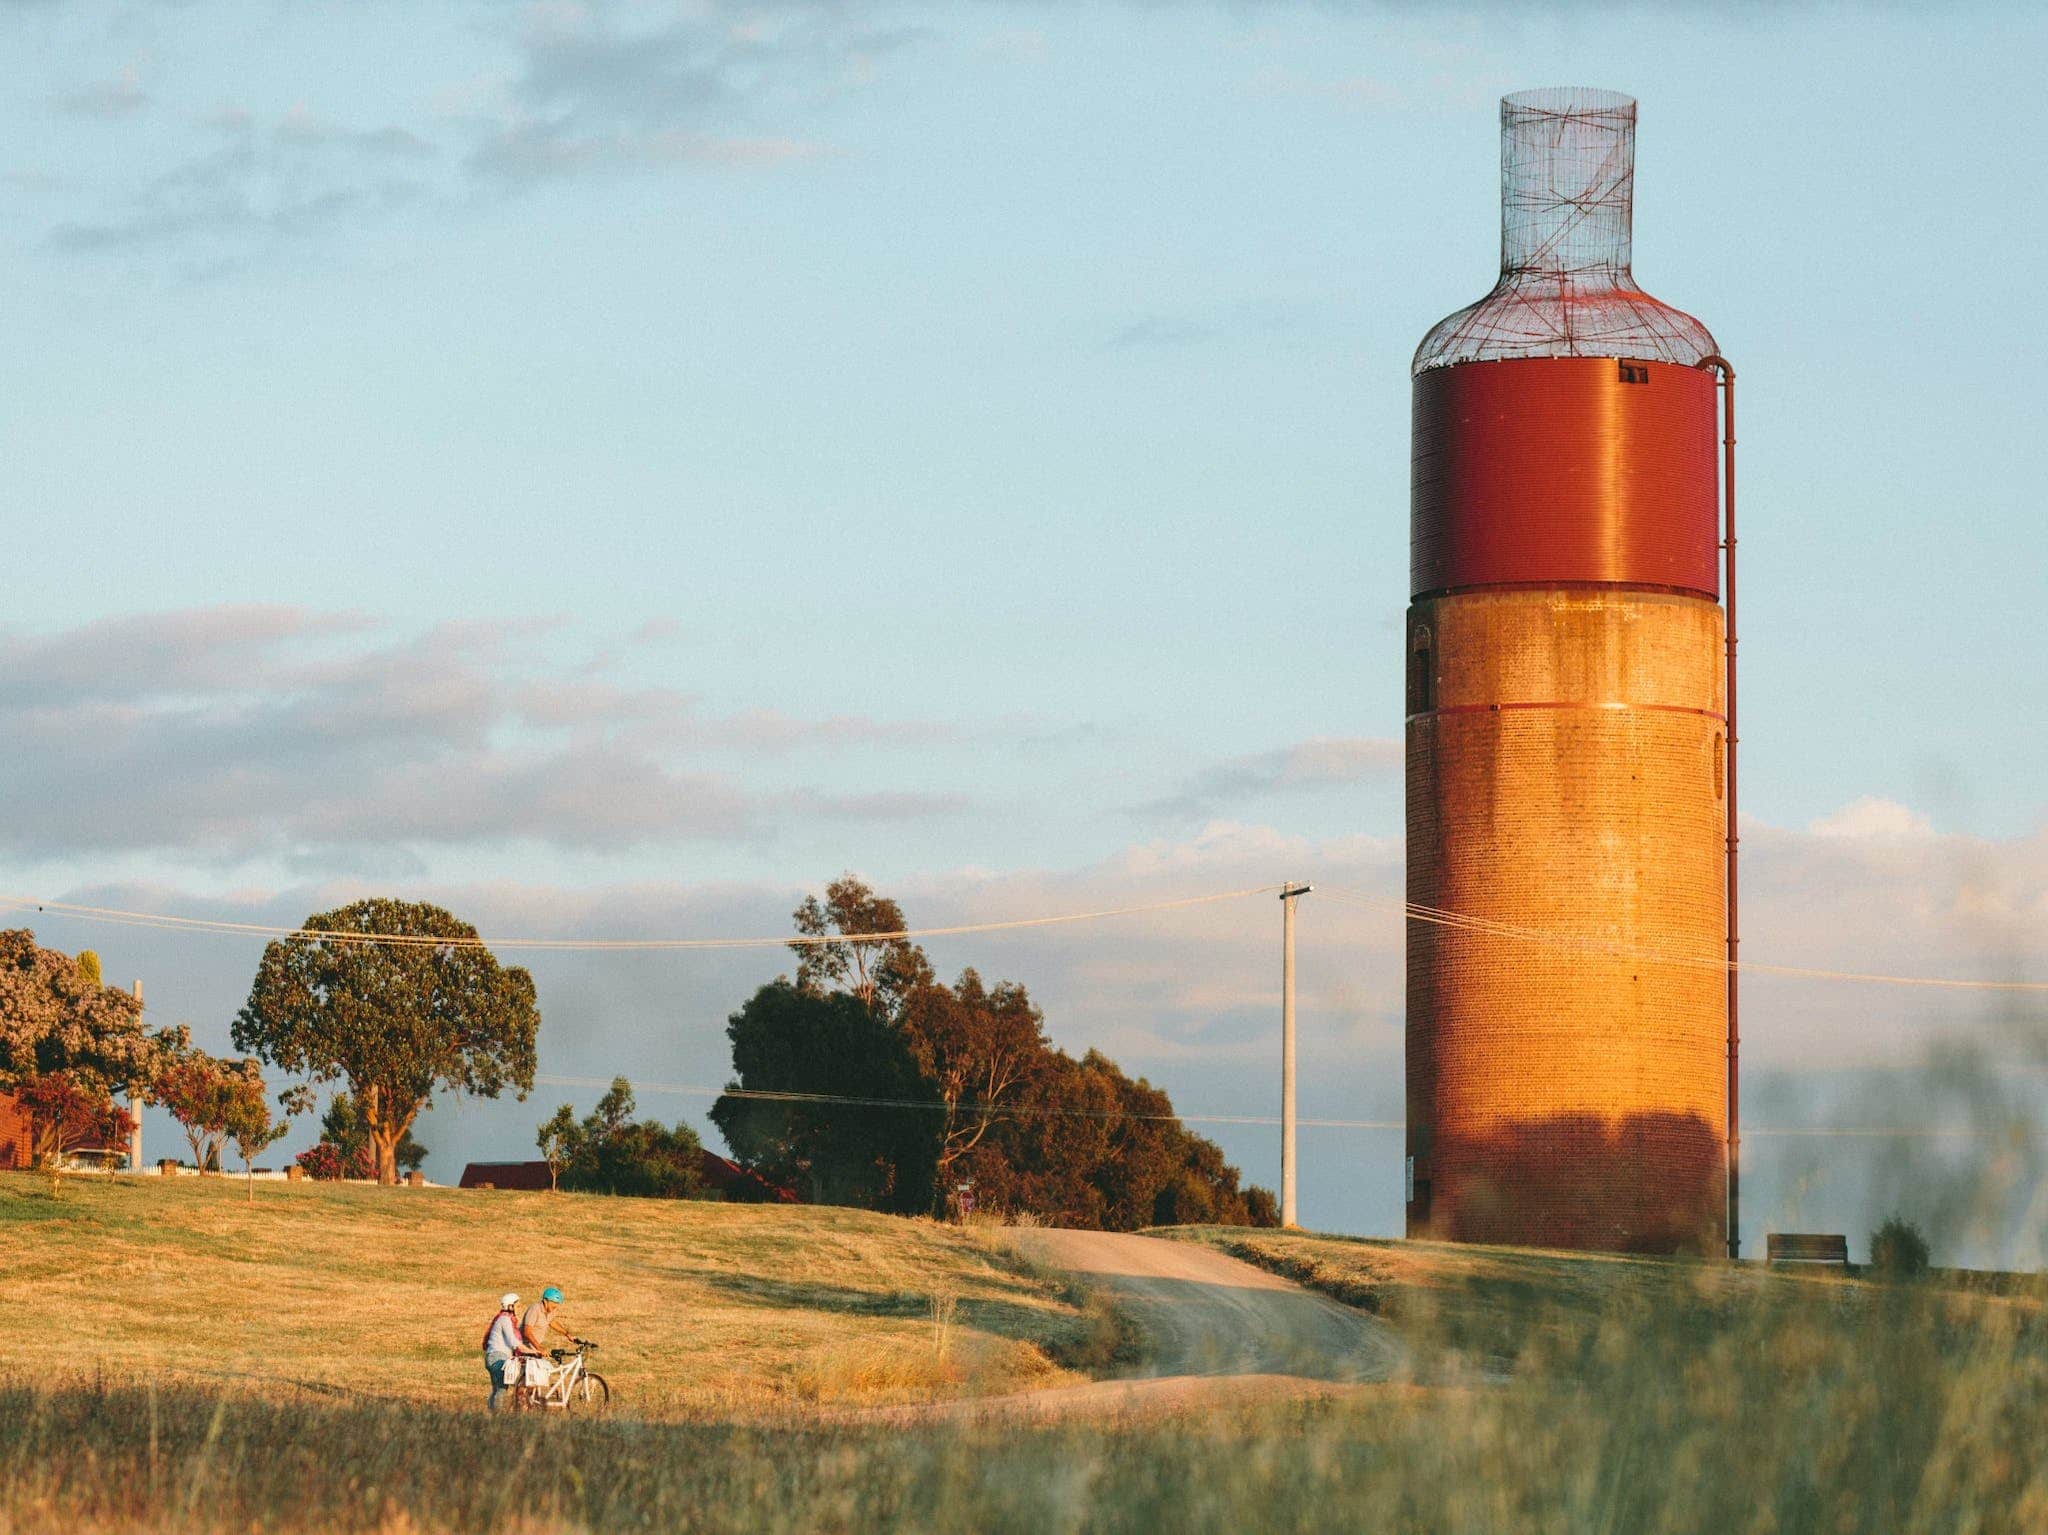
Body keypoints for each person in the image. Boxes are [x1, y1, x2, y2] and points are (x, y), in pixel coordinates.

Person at [482, 1293, 523, 1412]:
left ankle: (491, 1414)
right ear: (510, 1306)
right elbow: (513, 1341)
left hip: (493, 1356)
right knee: (501, 1389)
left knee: (496, 1389)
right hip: (498, 1357)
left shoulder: (502, 1318)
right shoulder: (505, 1319)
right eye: (517, 1305)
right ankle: (497, 1417)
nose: (519, 1308)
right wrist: (531, 1350)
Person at [521, 1285, 566, 1358]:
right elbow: (527, 1332)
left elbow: (552, 1322)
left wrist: (567, 1334)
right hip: (525, 1349)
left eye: (557, 1303)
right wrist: (539, 1348)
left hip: (535, 1349)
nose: (556, 1306)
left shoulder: (550, 1310)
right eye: (553, 1302)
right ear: (545, 1301)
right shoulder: (535, 1309)